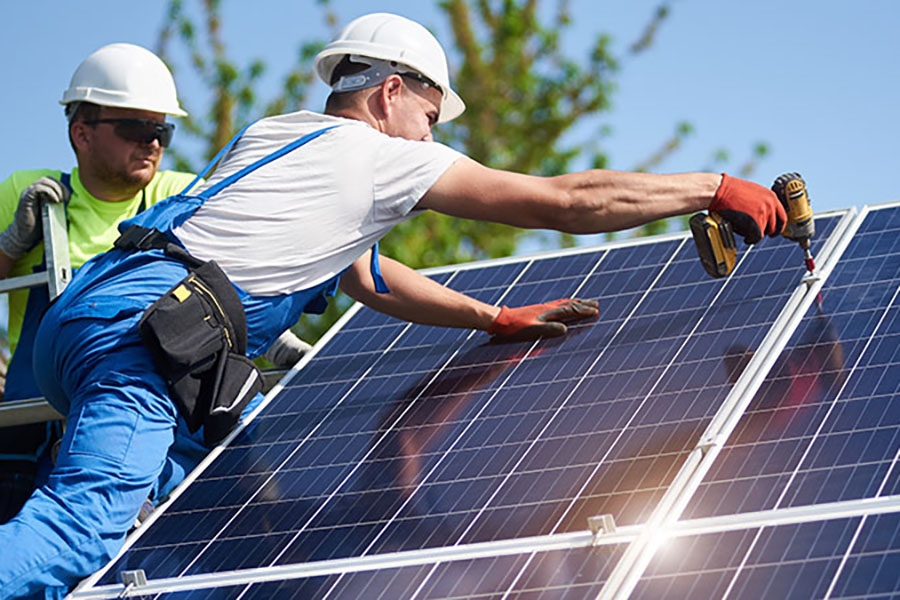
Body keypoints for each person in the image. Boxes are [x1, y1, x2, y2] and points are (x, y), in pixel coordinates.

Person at [0, 12, 786, 598]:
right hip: (145, 343)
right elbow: (565, 201)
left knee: (178, 545)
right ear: (389, 93)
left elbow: (370, 276)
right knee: (79, 530)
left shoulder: (275, 134)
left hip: (93, 317)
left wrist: (490, 317)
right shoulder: (379, 157)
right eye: (431, 119)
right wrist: (713, 187)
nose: (429, 139)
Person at [0, 43, 310, 526]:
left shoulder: (177, 196)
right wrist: (13, 243)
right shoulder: (28, 191)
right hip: (34, 428)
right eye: (134, 128)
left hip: (145, 419)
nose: (152, 142)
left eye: (161, 129)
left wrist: (276, 338)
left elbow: (232, 285)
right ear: (81, 133)